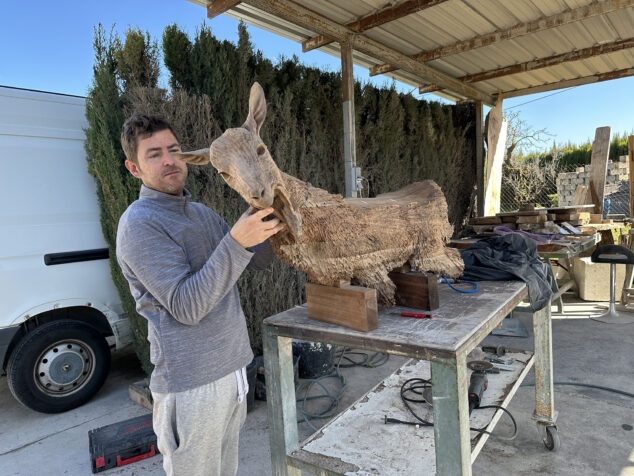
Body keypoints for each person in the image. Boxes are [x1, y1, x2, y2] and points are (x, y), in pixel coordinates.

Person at [116, 114, 284, 476]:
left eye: (174, 150)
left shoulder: (202, 214)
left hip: (235, 371)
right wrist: (238, 240)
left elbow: (256, 261)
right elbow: (186, 306)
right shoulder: (139, 224)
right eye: (154, 154)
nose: (170, 161)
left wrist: (266, 216)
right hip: (192, 387)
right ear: (134, 168)